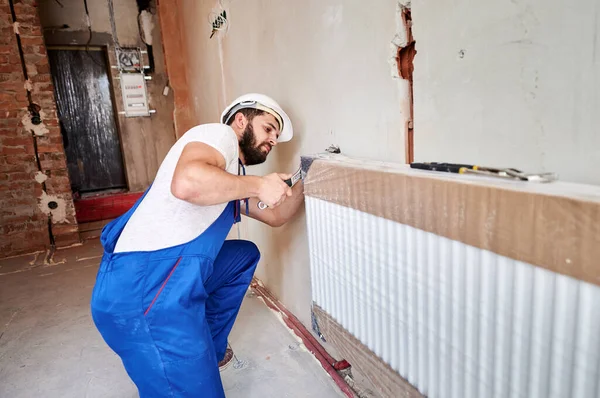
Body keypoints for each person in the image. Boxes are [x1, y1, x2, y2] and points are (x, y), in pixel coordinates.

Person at [90, 93, 304, 397]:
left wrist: (304, 179)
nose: (273, 140)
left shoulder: (228, 179)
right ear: (241, 120)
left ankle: (209, 350)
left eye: (276, 136)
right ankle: (185, 357)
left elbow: (277, 215)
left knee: (243, 256)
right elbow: (187, 183)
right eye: (268, 128)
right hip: (142, 295)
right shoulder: (218, 134)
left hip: (158, 279)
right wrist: (260, 184)